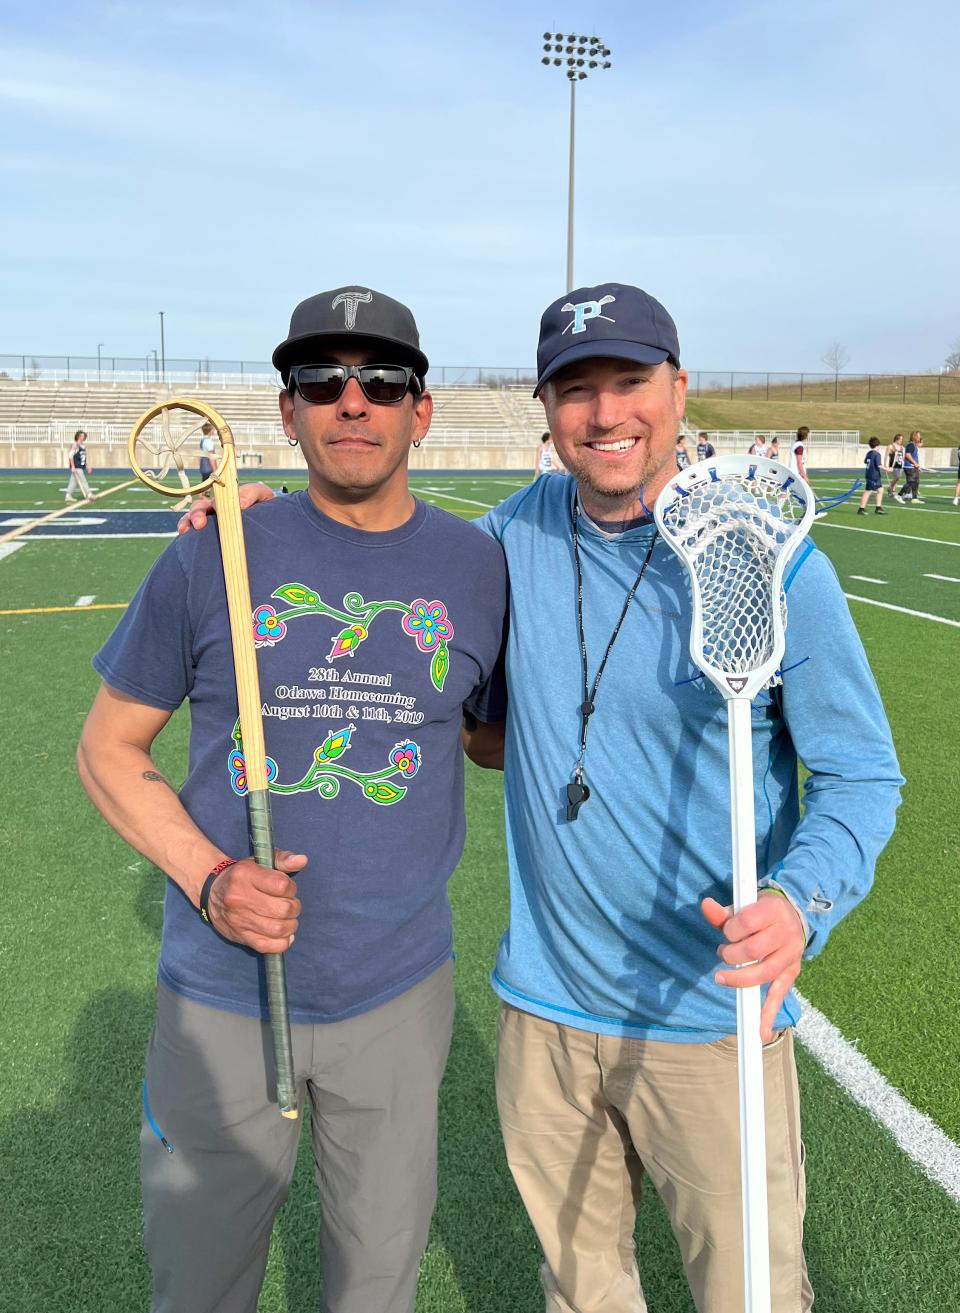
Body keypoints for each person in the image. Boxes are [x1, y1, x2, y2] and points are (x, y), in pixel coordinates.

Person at [461, 283, 901, 1313]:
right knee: (582, 1293)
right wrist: (267, 526)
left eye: (629, 381)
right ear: (546, 408)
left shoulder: (774, 560)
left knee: (751, 1293)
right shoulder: (503, 541)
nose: (606, 413)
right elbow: (398, 594)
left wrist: (802, 900)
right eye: (576, 389)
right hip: (546, 1016)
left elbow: (860, 772)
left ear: (679, 387)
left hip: (709, 1015)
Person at [76, 286, 508, 1313]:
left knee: (375, 1284)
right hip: (221, 994)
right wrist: (212, 876)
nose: (351, 400)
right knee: (200, 1285)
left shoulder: (477, 566)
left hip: (397, 993)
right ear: (286, 412)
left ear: (422, 410)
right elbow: (107, 747)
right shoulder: (212, 551)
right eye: (321, 379)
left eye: (381, 381)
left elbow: (488, 733)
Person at [858, 436, 888, 515]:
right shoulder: (877, 454)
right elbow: (879, 465)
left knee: (880, 490)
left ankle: (878, 508)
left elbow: (866, 461)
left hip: (870, 474)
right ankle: (861, 508)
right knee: (868, 492)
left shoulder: (869, 453)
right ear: (878, 445)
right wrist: (887, 469)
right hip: (873, 475)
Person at [65, 429, 92, 500]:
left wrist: (87, 466)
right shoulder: (75, 445)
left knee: (73, 482)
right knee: (83, 480)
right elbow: (70, 455)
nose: (84, 437)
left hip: (80, 466)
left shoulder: (83, 446)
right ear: (79, 437)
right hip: (77, 467)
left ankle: (68, 495)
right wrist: (73, 466)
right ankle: (89, 494)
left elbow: (83, 458)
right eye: (82, 436)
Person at [901, 431, 923, 503]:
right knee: (911, 482)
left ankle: (914, 498)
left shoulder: (914, 445)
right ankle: (899, 495)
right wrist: (914, 463)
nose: (920, 437)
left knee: (916, 482)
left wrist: (917, 465)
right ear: (915, 437)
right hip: (910, 466)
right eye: (918, 436)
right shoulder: (911, 445)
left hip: (913, 466)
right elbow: (907, 455)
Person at [886, 432, 906, 500]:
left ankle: (891, 491)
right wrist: (886, 465)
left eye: (902, 439)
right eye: (900, 439)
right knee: (897, 477)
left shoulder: (902, 448)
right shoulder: (891, 446)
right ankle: (890, 489)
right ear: (896, 439)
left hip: (900, 465)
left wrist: (903, 463)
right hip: (893, 465)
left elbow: (903, 457)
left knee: (897, 479)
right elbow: (887, 455)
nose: (901, 441)